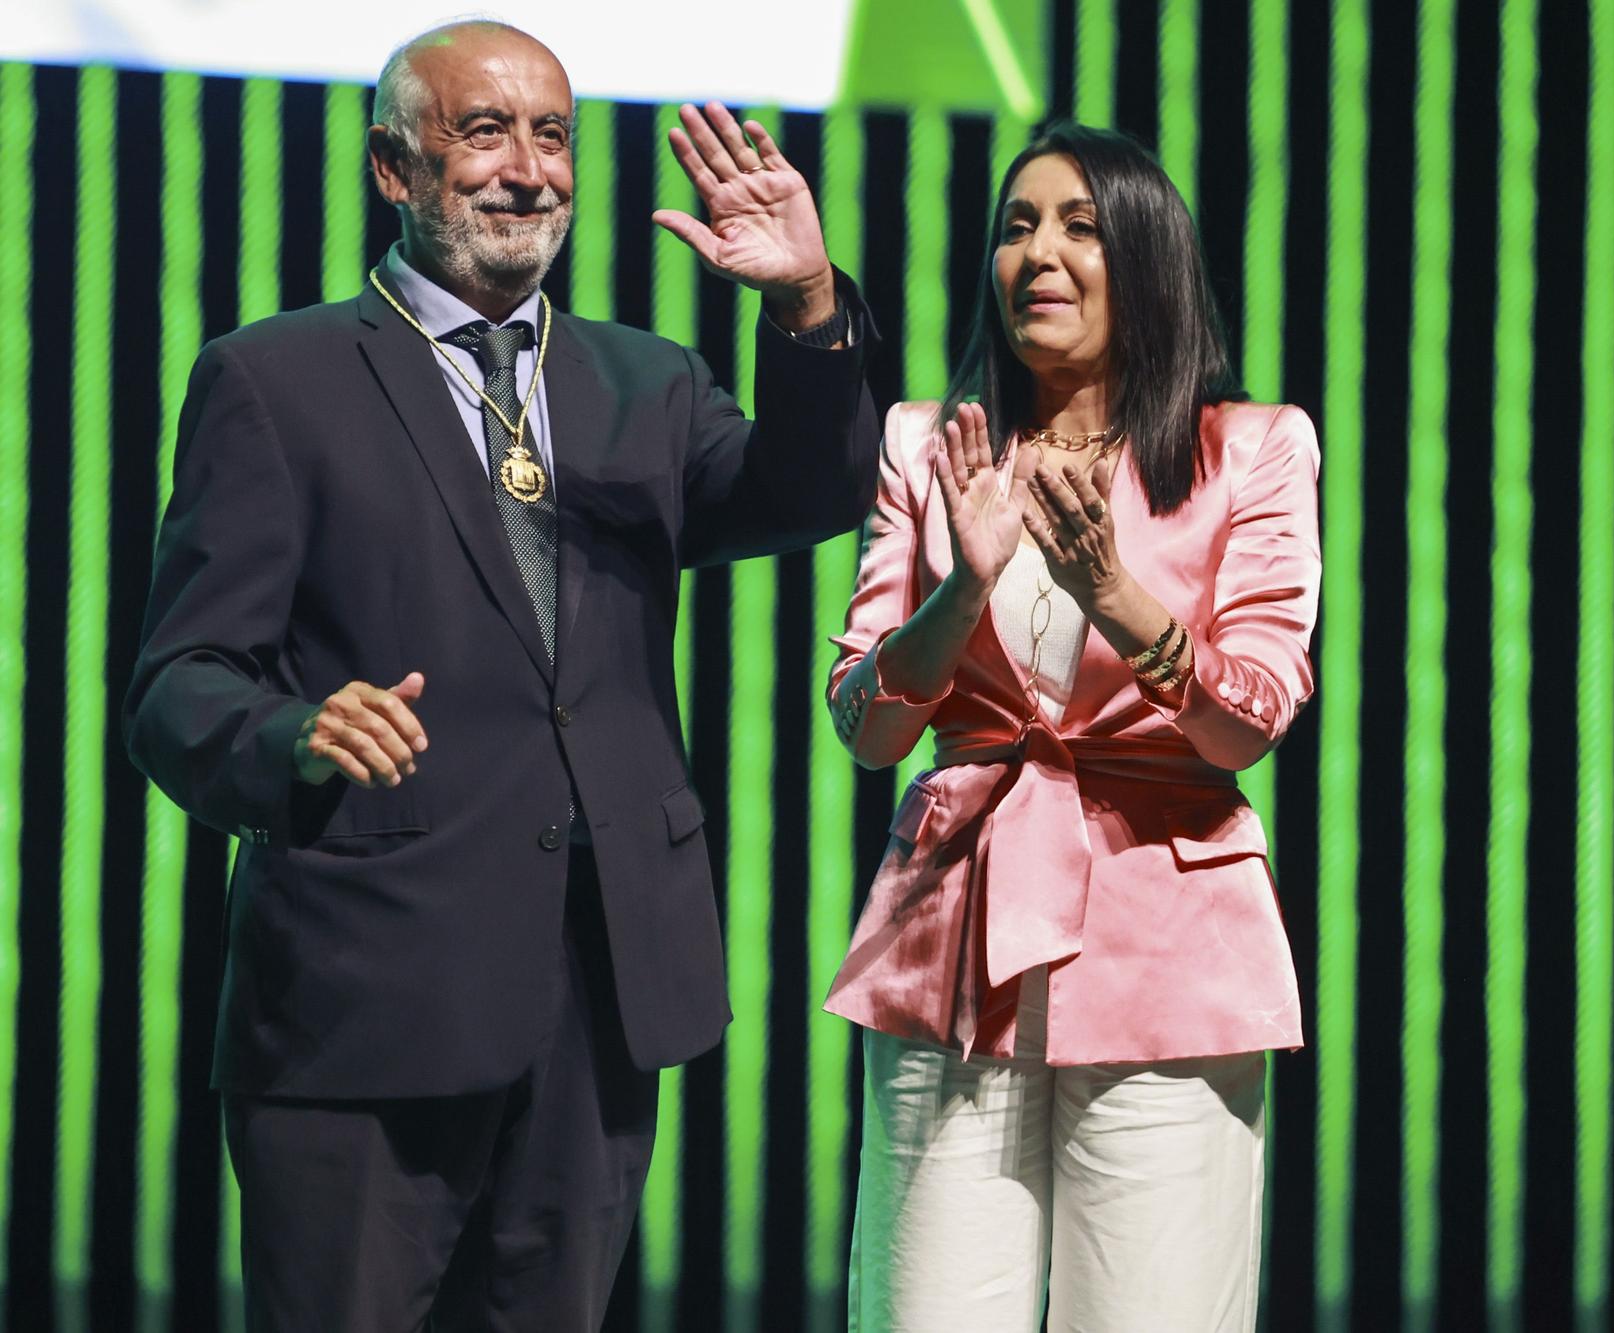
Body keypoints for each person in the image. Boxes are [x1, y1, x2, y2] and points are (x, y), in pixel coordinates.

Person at [123, 21, 879, 1330]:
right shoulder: (274, 381)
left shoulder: (645, 383)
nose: (527, 170)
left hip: (600, 995)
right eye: (484, 132)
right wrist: (297, 732)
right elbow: (179, 683)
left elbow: (809, 491)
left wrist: (806, 309)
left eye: (552, 136)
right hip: (369, 999)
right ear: (393, 167)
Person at [821, 121, 1319, 1330]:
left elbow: (1246, 720)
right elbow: (865, 724)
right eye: (1015, 225)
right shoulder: (923, 442)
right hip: (951, 939)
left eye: (1078, 226)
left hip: (1169, 945)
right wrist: (962, 587)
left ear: (1145, 260)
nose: (1037, 252)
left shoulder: (1248, 447)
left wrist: (1115, 593)